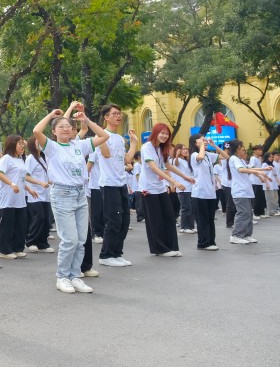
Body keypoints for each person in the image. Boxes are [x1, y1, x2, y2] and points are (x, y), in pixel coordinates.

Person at [31, 103, 109, 294]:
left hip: (80, 194)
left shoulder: (79, 145)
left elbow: (104, 136)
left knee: (81, 239)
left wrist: (87, 121)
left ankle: (75, 276)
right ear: (54, 131)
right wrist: (51, 115)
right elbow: (36, 130)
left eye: (68, 126)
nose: (66, 129)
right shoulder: (51, 147)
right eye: (61, 126)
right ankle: (62, 277)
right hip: (62, 195)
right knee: (70, 240)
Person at [139, 123, 192, 257]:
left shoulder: (162, 148)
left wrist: (185, 176)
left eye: (166, 134)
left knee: (169, 217)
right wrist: (173, 181)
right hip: (149, 189)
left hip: (160, 188)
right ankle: (160, 249)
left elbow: (167, 165)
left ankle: (171, 246)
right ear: (155, 132)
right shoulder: (147, 147)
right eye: (162, 133)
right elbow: (154, 167)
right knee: (155, 219)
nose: (164, 136)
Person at [95, 104, 136, 268]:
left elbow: (127, 160)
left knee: (124, 220)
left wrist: (133, 143)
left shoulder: (119, 138)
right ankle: (106, 255)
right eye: (115, 114)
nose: (119, 116)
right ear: (106, 117)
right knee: (113, 220)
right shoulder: (102, 136)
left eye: (120, 114)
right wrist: (100, 133)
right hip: (109, 184)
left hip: (121, 183)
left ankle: (117, 253)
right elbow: (105, 154)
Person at [228, 140, 272, 244]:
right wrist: (257, 171)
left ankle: (246, 235)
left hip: (246, 191)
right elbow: (241, 170)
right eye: (241, 147)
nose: (243, 149)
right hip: (239, 191)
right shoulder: (234, 158)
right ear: (236, 149)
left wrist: (263, 169)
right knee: (243, 213)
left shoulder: (240, 160)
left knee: (248, 214)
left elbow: (248, 168)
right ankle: (236, 235)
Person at [0, 135, 30, 259]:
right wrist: (11, 183)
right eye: (19, 144)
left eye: (22, 144)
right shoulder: (6, 159)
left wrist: (29, 189)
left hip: (20, 197)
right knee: (8, 223)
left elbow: (22, 179)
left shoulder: (20, 159)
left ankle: (18, 247)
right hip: (9, 197)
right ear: (12, 144)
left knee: (21, 224)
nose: (22, 146)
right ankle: (4, 250)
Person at [189, 136, 227, 250]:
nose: (205, 141)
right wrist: (202, 146)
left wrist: (214, 146)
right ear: (196, 142)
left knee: (210, 219)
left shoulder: (208, 155)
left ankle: (211, 241)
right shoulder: (194, 155)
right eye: (202, 140)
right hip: (199, 193)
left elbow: (225, 156)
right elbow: (200, 156)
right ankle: (203, 243)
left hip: (210, 192)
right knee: (202, 219)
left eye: (205, 140)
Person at [24, 138, 53, 253]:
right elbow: (26, 176)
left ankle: (42, 243)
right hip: (35, 193)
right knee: (39, 217)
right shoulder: (31, 159)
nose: (40, 144)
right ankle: (31, 241)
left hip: (45, 194)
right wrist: (39, 183)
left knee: (46, 219)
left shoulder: (43, 158)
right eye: (38, 142)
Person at [172, 144, 195, 233]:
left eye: (186, 149)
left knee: (191, 208)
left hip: (191, 187)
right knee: (186, 208)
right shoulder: (177, 160)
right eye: (183, 149)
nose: (186, 150)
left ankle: (191, 226)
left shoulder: (186, 161)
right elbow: (176, 163)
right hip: (183, 188)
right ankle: (184, 227)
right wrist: (177, 156)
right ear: (178, 150)